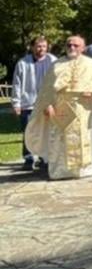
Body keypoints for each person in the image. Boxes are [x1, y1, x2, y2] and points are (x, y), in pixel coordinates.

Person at [25, 35, 92, 179]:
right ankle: (61, 171)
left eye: (75, 45)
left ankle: (84, 170)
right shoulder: (57, 65)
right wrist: (48, 105)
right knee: (60, 141)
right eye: (69, 45)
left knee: (84, 138)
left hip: (83, 109)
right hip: (60, 108)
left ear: (83, 48)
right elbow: (47, 90)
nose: (72, 48)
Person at [11, 35, 57, 171]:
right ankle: (28, 158)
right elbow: (17, 84)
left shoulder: (53, 61)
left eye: (43, 46)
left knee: (47, 132)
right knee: (28, 132)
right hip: (28, 104)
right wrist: (16, 103)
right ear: (32, 47)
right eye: (38, 46)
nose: (41, 49)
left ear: (47, 47)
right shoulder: (23, 63)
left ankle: (45, 158)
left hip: (47, 104)